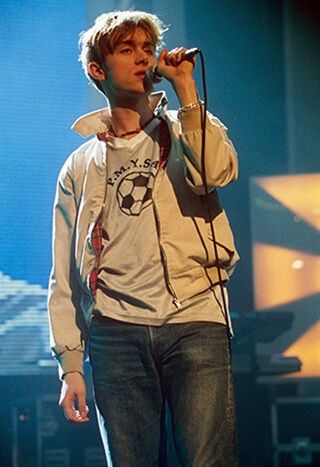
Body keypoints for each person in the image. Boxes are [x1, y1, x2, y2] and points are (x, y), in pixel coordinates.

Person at [48, 10, 239, 467]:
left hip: (195, 317)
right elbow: (64, 273)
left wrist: (187, 90)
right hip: (116, 332)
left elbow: (214, 173)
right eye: (127, 49)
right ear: (98, 69)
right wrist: (70, 365)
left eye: (147, 48)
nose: (143, 58)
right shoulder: (80, 165)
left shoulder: (189, 126)